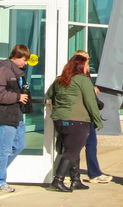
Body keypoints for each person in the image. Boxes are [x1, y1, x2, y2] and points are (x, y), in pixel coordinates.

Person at [47, 54, 103, 192]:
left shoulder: (60, 79)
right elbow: (91, 102)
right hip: (76, 121)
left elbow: (50, 94)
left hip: (59, 120)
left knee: (73, 149)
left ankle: (75, 180)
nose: (87, 67)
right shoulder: (83, 80)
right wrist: (98, 121)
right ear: (81, 66)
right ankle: (58, 180)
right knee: (72, 151)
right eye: (86, 65)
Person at [0, 44, 32, 193]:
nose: (26, 63)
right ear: (16, 57)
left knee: (19, 145)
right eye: (24, 60)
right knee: (4, 149)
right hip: (6, 115)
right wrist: (17, 97)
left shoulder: (16, 72)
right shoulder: (4, 70)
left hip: (16, 114)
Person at [74, 50, 112, 184]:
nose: (88, 63)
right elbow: (89, 101)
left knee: (84, 145)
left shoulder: (82, 76)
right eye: (85, 60)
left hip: (81, 116)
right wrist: (97, 121)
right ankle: (92, 174)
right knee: (86, 144)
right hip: (83, 116)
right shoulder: (79, 77)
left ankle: (72, 172)